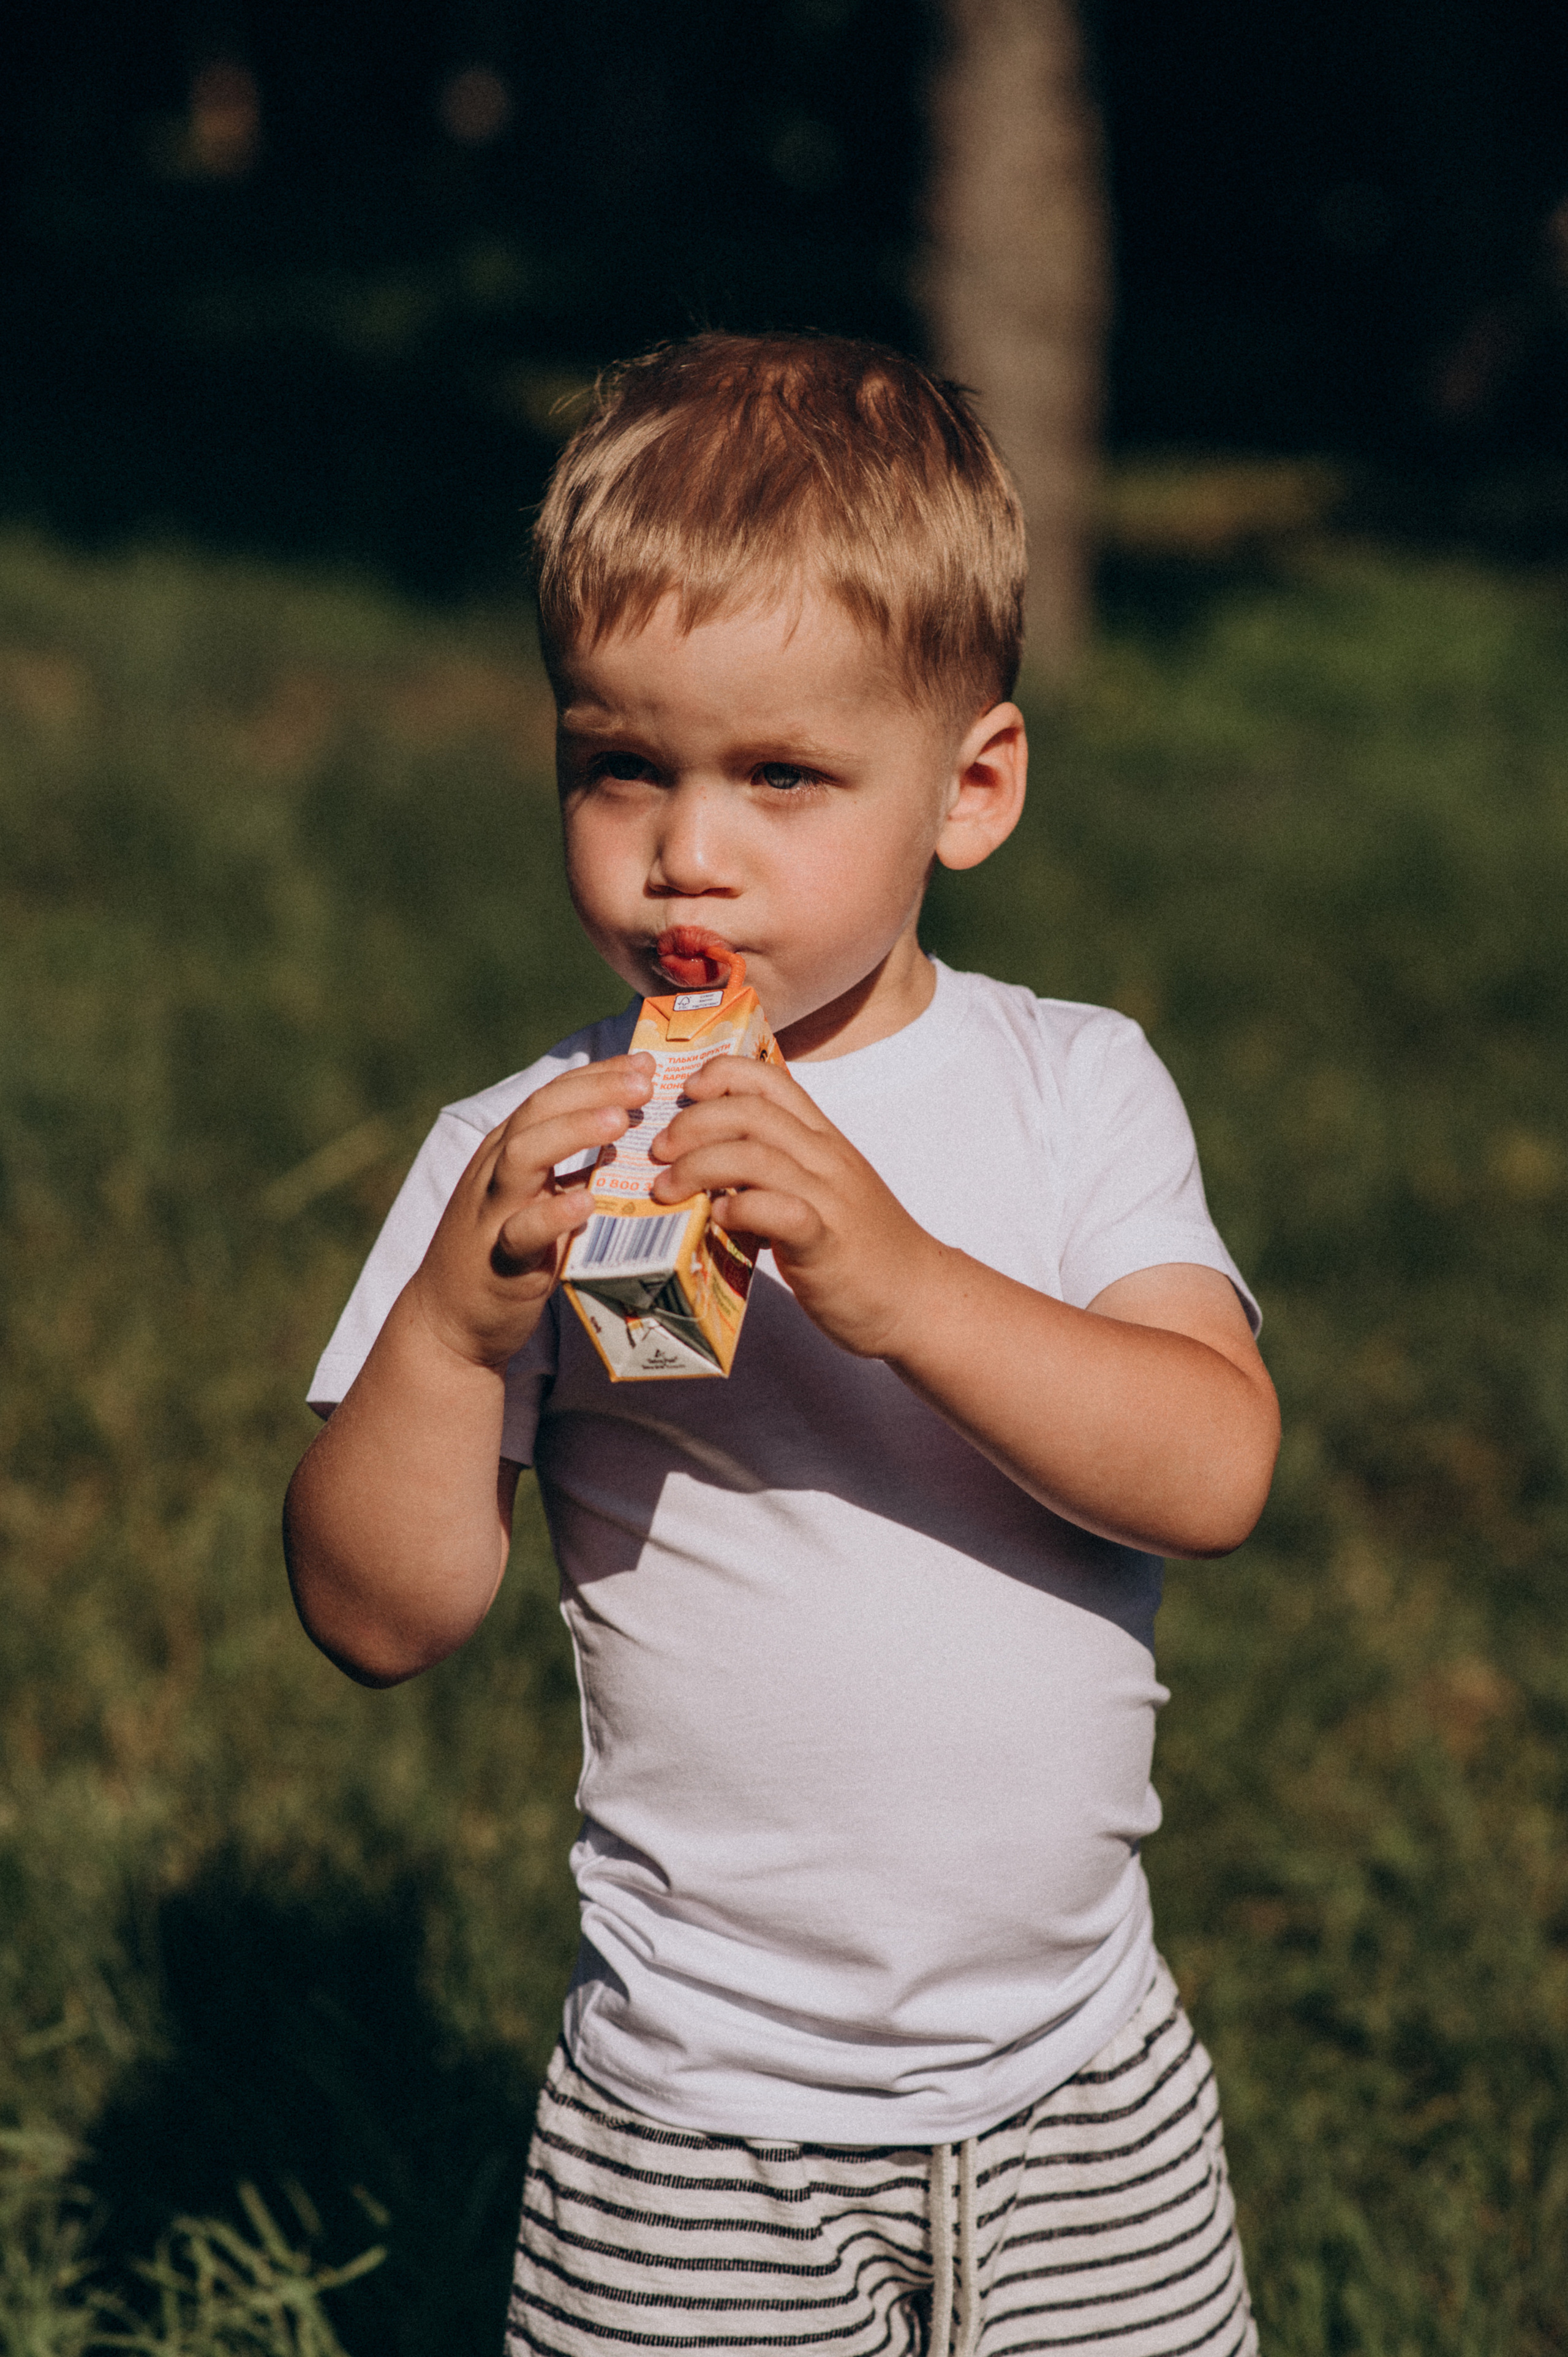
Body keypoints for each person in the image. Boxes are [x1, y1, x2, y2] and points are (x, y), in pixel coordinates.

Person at [284, 332, 1280, 2357]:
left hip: (1080, 2084)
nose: (689, 850)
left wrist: (903, 1282)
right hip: (695, 2115)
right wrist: (455, 1334)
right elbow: (376, 1615)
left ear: (969, 789)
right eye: (619, 762)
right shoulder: (517, 1154)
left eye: (786, 777)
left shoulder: (1075, 1089)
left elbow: (1213, 1466)